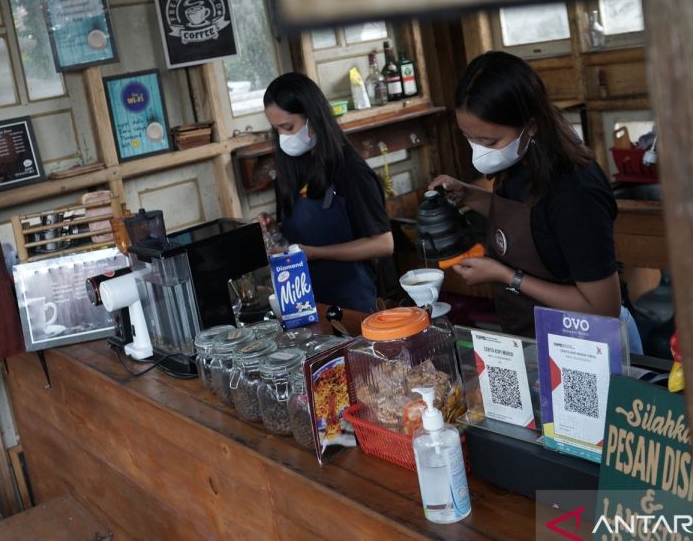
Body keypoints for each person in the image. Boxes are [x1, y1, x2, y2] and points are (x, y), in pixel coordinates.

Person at [429, 51, 643, 353]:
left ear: (530, 127)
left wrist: (506, 276)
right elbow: (530, 222)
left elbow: (603, 308)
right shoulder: (519, 160)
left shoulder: (575, 192)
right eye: (469, 138)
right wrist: (468, 194)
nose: (479, 151)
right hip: (535, 341)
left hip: (588, 348)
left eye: (489, 142)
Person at [259, 72, 393, 313]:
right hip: (302, 301)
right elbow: (300, 233)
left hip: (351, 305)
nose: (283, 138)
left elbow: (383, 244)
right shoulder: (290, 169)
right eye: (276, 130)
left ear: (313, 117)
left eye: (288, 127)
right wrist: (274, 230)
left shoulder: (350, 170)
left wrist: (315, 254)